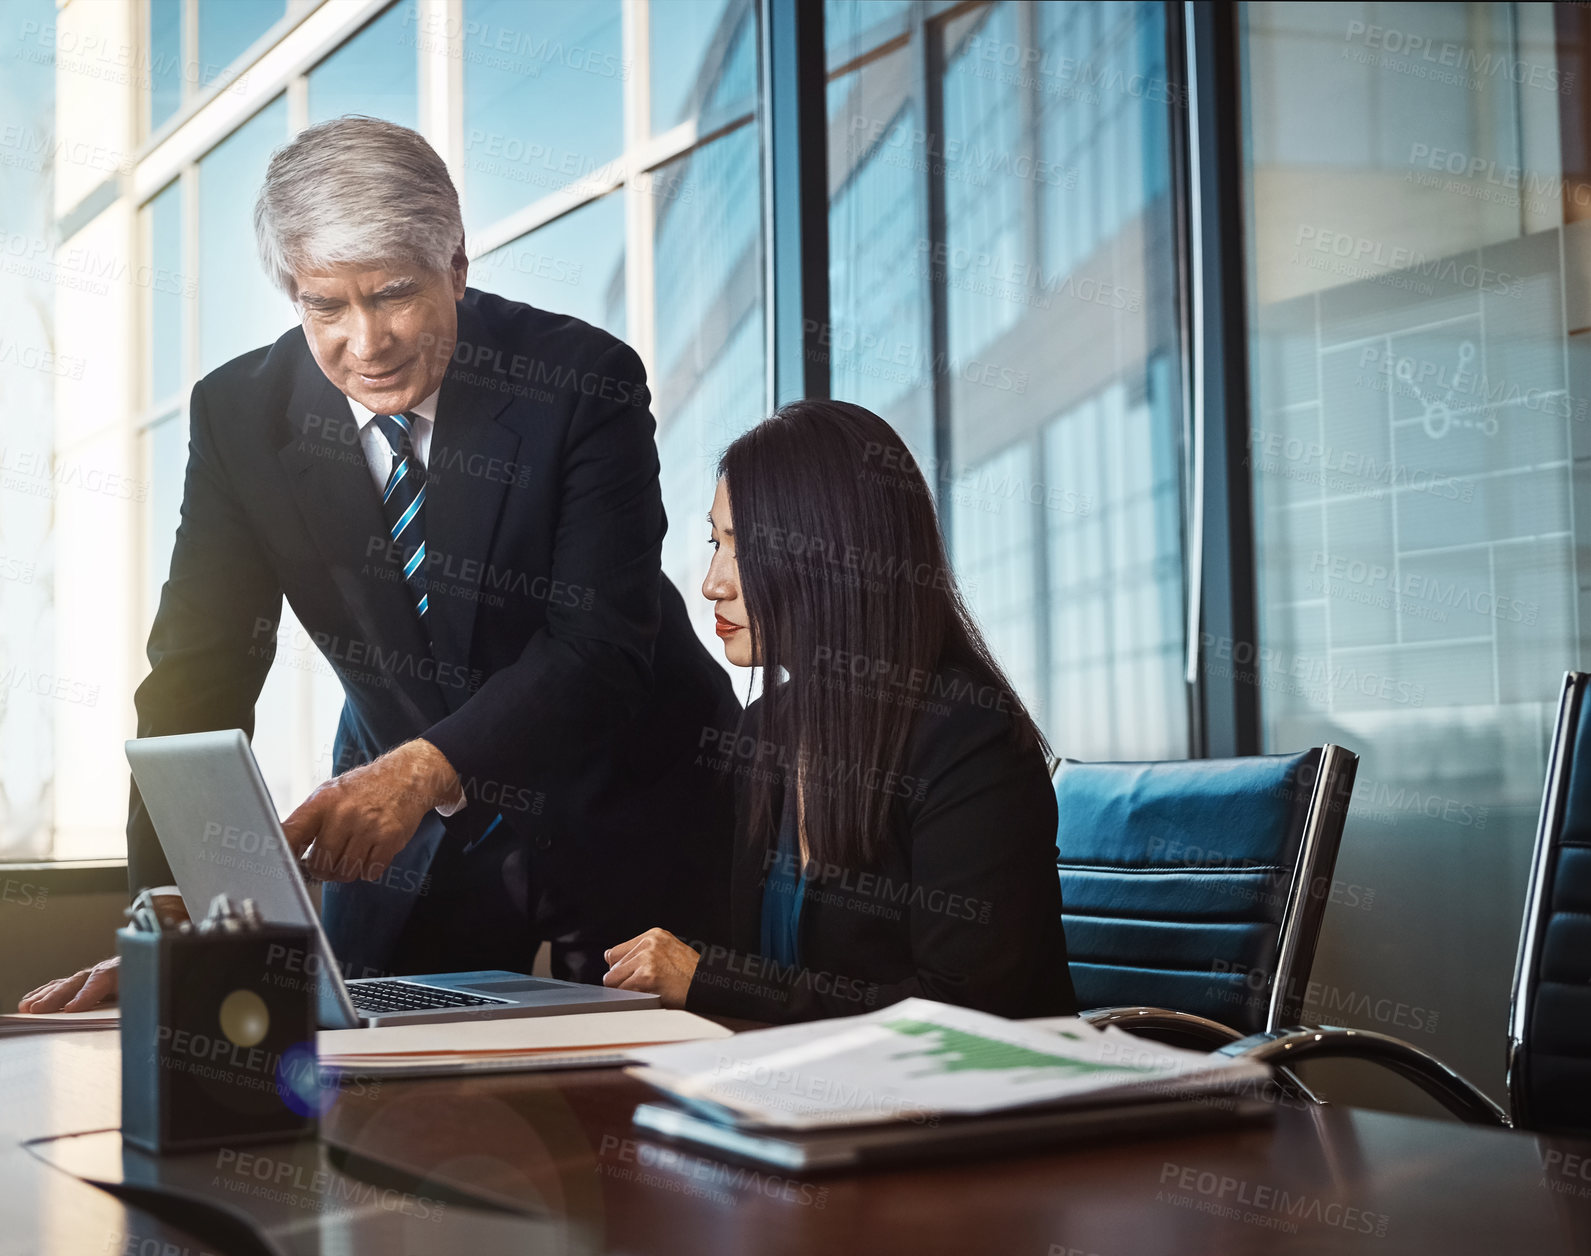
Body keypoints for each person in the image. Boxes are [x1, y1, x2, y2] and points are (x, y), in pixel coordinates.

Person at [19, 116, 735, 1013]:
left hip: (626, 788)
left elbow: (597, 646)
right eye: (327, 306)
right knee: (358, 1064)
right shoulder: (239, 416)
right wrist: (175, 911)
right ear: (292, 293)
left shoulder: (582, 380)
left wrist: (421, 769)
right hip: (405, 828)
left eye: (395, 293)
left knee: (652, 1100)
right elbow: (198, 676)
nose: (367, 342)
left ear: (458, 267)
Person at [600, 400, 1077, 1022]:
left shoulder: (967, 740)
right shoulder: (764, 730)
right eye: (715, 542)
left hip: (963, 1108)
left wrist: (716, 980)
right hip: (793, 1096)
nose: (712, 582)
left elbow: (962, 1012)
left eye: (740, 549)